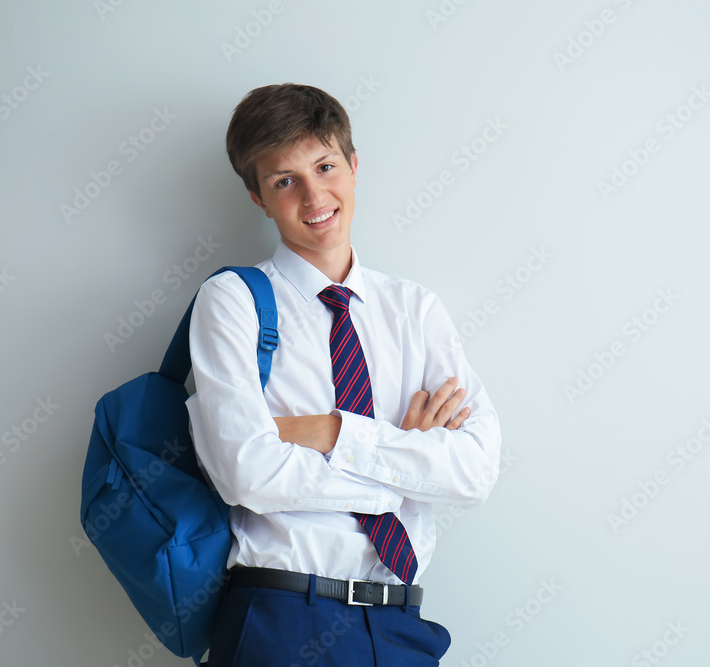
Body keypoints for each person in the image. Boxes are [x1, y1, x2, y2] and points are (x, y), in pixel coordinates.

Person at [185, 83, 502, 666]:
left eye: (326, 166)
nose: (314, 195)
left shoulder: (415, 309)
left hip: (400, 623)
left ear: (354, 167)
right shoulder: (233, 301)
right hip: (281, 617)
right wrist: (403, 462)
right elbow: (247, 474)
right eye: (285, 180)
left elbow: (476, 472)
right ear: (258, 197)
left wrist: (330, 432)